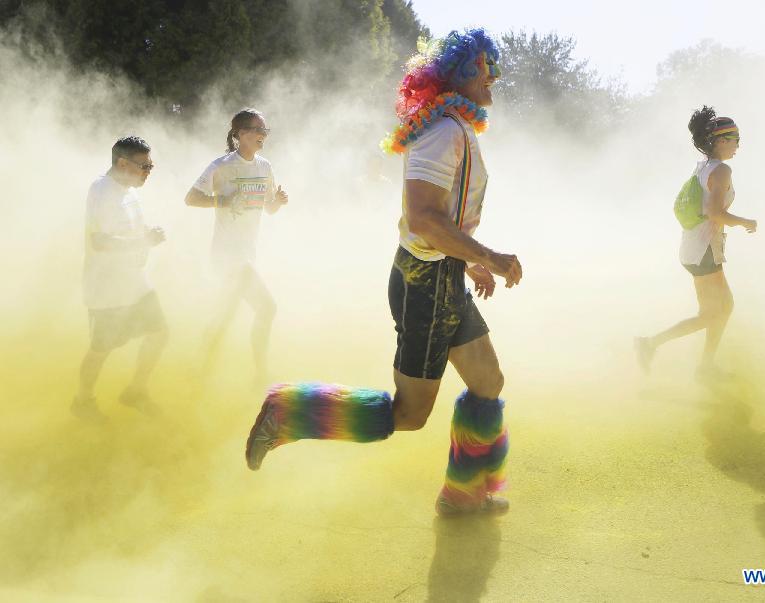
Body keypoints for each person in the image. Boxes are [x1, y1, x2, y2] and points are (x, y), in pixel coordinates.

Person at [244, 29, 522, 516]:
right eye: (480, 68)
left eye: (490, 67)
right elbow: (424, 219)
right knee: (409, 415)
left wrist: (469, 259)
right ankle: (287, 411)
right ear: (456, 76)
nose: (491, 77)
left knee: (488, 383)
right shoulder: (442, 132)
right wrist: (492, 256)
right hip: (425, 285)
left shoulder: (455, 127)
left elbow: (442, 220)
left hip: (442, 277)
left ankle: (463, 495)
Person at [636, 106, 757, 381]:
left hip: (694, 249)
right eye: (736, 139)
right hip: (703, 250)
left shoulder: (702, 166)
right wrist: (746, 222)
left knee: (720, 309)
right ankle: (651, 344)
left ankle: (704, 366)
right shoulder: (722, 170)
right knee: (714, 313)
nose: (738, 145)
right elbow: (716, 213)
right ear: (721, 141)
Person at [184, 108, 288, 385]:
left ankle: (198, 371)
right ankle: (260, 375)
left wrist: (278, 201)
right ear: (240, 134)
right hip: (227, 256)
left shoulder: (264, 166)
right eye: (257, 129)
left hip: (246, 255)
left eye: (265, 130)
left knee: (224, 317)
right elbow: (191, 198)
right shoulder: (222, 166)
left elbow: (269, 209)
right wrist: (223, 202)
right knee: (267, 308)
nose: (263, 135)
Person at [72, 136, 168, 422]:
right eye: (144, 166)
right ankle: (82, 401)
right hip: (106, 286)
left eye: (151, 166)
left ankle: (135, 391)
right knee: (101, 348)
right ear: (123, 163)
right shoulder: (102, 190)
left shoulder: (129, 189)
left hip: (133, 282)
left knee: (159, 332)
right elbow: (100, 242)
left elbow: (130, 231)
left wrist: (147, 233)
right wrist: (144, 241)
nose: (148, 172)